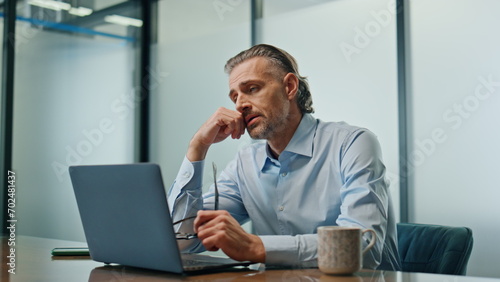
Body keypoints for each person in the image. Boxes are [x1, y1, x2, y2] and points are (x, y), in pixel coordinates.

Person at [167, 44, 401, 270]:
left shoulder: (352, 144)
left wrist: (255, 247)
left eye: (252, 89)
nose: (240, 106)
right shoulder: (244, 163)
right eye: (235, 97)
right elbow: (182, 240)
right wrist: (197, 147)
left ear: (289, 87)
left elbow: (362, 248)